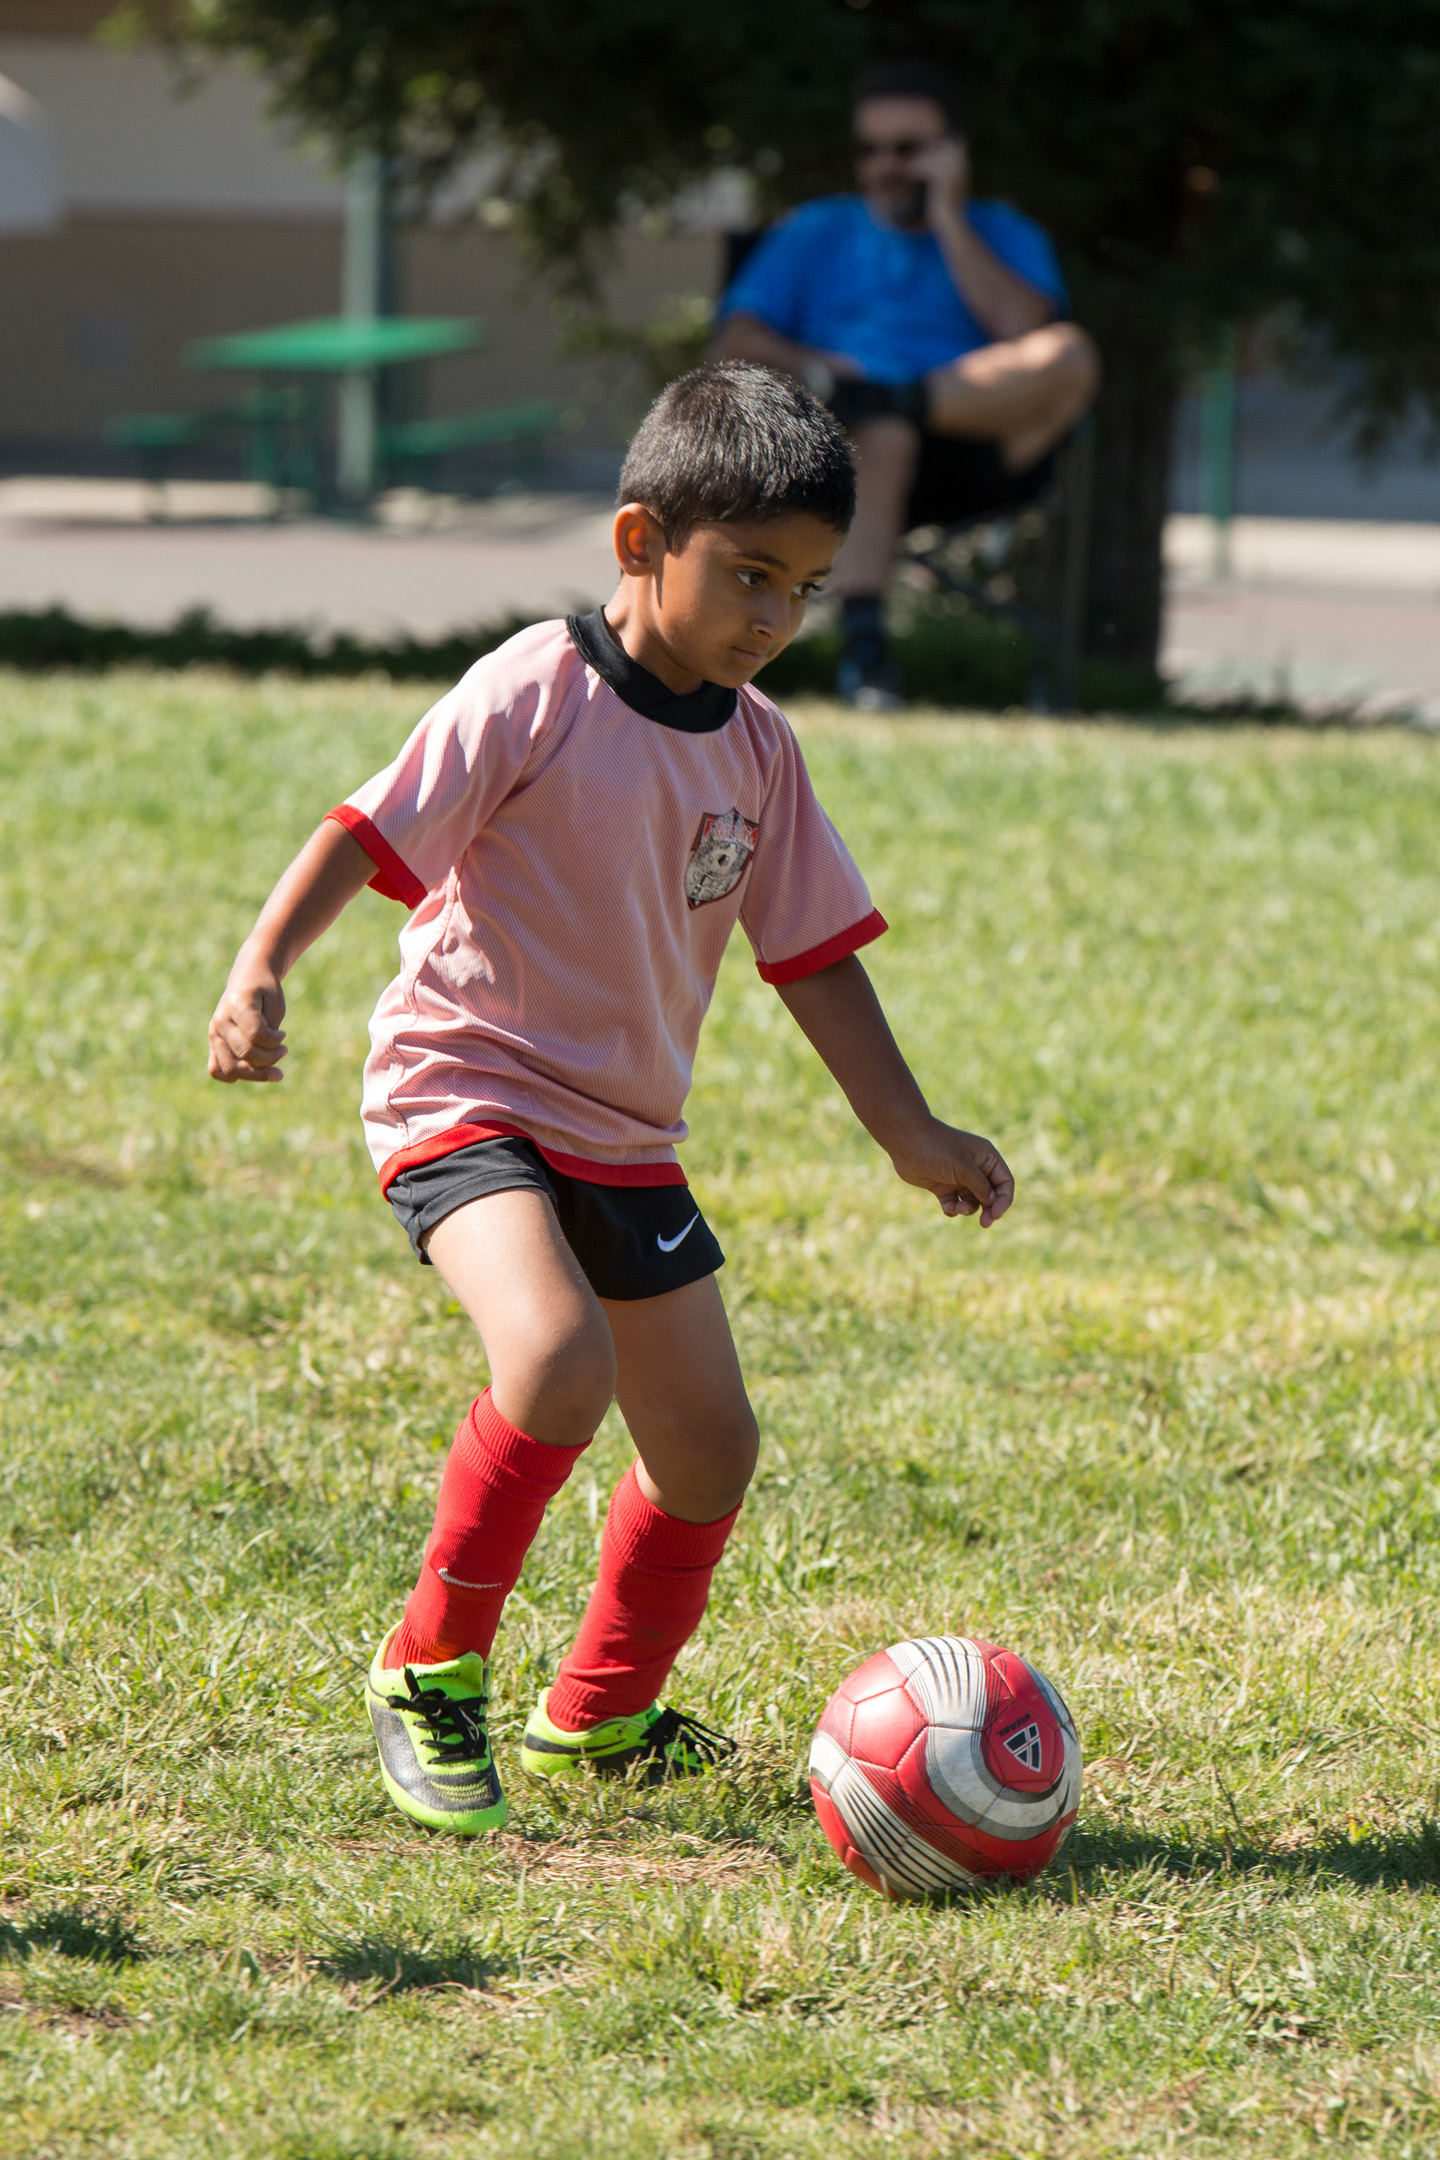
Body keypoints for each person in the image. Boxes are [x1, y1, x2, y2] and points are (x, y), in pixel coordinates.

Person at [206, 362, 1015, 1836]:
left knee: (709, 1448)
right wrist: (262, 969)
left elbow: (814, 956)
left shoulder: (759, 749)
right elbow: (368, 831)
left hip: (625, 1136)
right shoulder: (538, 688)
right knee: (557, 1355)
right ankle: (428, 1669)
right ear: (641, 541)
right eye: (749, 575)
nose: (774, 619)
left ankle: (597, 1716)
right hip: (466, 1088)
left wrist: (912, 1134)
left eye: (805, 590)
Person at [718, 59, 1100, 707]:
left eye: (906, 149)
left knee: (1073, 352)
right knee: (881, 431)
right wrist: (817, 368)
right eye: (870, 150)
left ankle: (893, 398)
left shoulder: (1003, 232)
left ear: (952, 152)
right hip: (839, 451)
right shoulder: (814, 230)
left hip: (977, 449)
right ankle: (866, 654)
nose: (885, 165)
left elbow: (1027, 333)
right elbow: (735, 341)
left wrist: (948, 218)